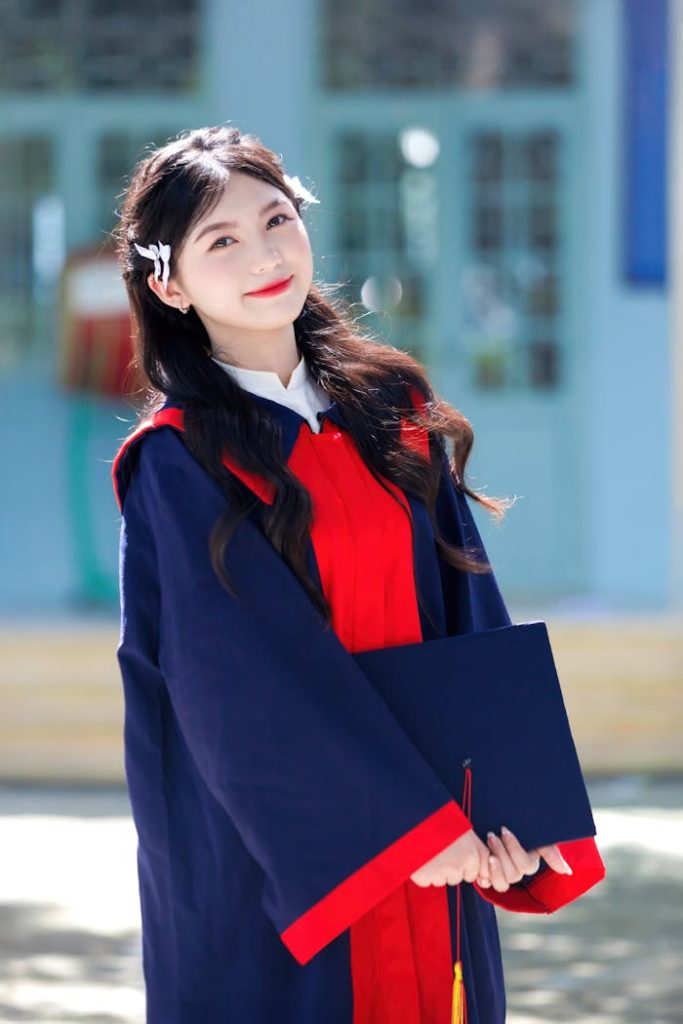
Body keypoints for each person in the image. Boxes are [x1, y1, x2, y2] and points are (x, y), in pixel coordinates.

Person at [111, 124, 606, 1024]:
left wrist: (505, 811)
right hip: (284, 857)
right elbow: (231, 678)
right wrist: (399, 828)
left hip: (443, 841)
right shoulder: (179, 463)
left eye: (277, 220)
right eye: (222, 241)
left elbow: (470, 617)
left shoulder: (390, 412)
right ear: (169, 283)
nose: (264, 255)